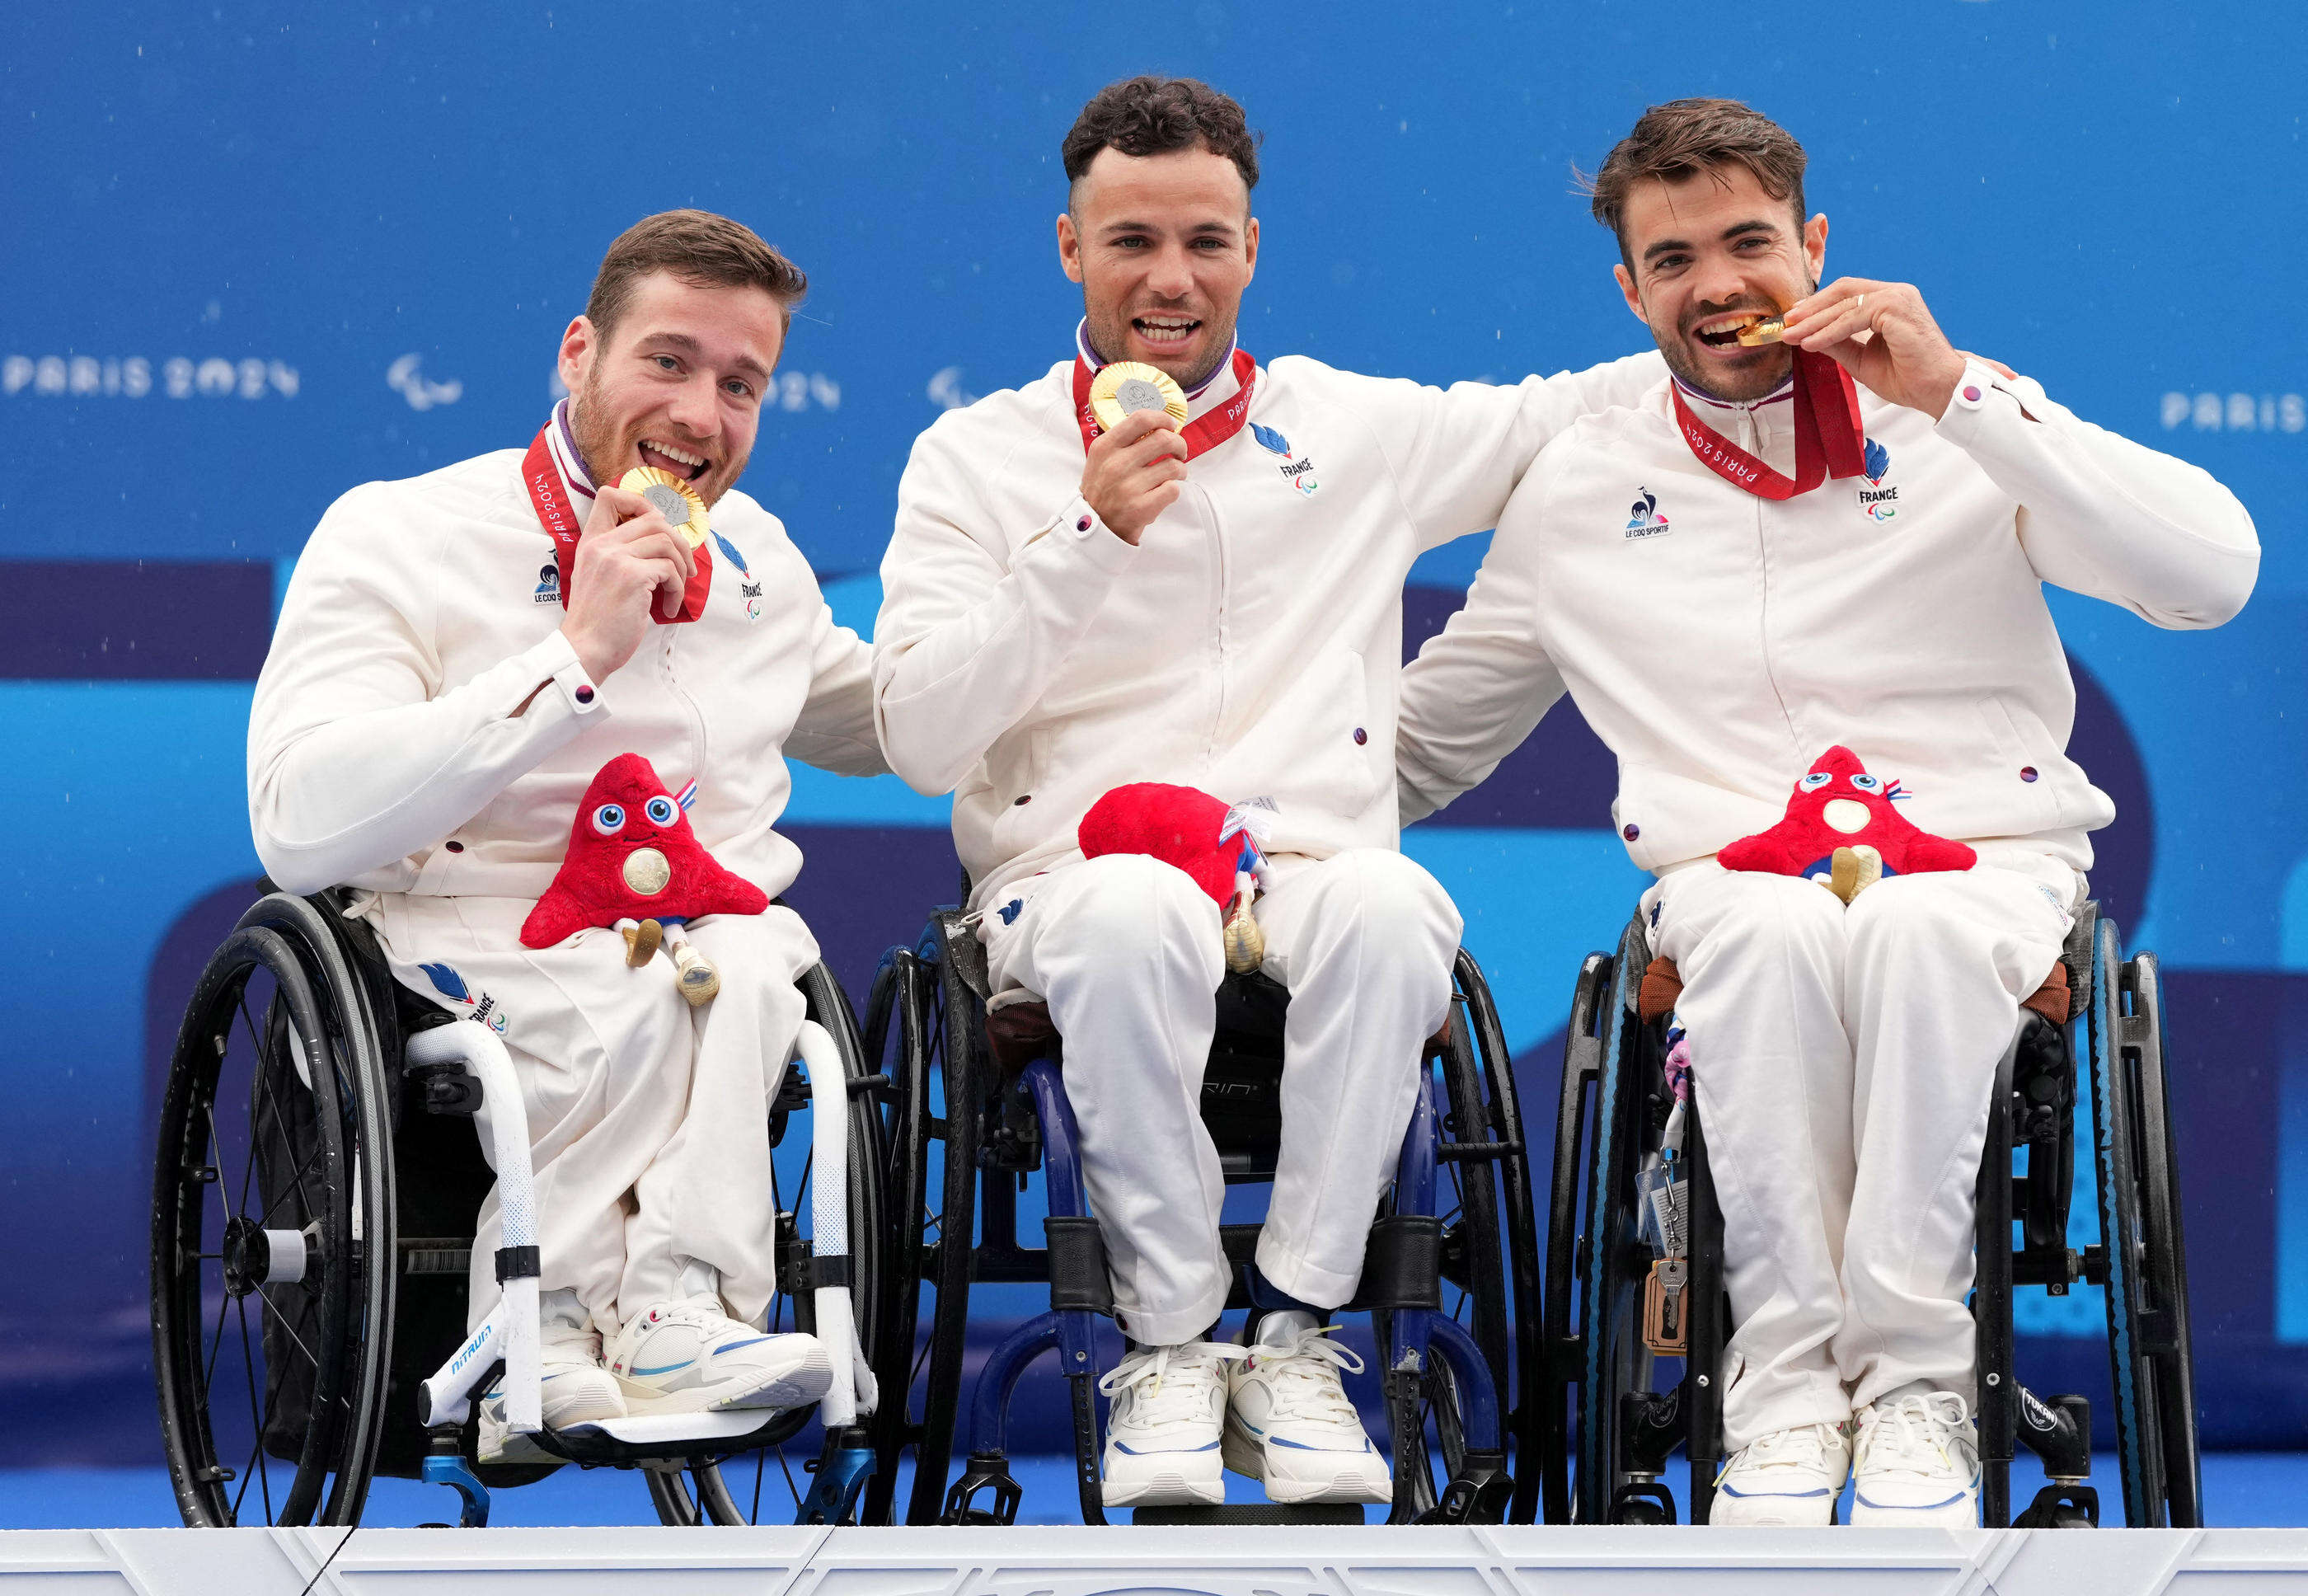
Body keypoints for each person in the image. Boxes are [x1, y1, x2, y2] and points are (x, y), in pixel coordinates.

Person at [1396, 99, 2257, 1526]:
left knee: (1914, 936)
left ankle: (1918, 1388)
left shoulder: (1961, 427)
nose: (1719, 282)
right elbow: (1423, 744)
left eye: (1750, 241)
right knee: (1772, 934)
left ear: (1817, 245)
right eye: (1675, 259)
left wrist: (1961, 390)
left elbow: (2211, 574)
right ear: (1630, 289)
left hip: (1983, 859)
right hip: (1733, 878)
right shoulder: (1579, 486)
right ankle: (1783, 1396)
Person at [873, 75, 1662, 1508]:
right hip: (1070, 885)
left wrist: (1780, 316)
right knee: (1126, 918)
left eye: (1205, 242)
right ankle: (1170, 1340)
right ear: (1069, 249)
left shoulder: (1354, 431)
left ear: (1251, 249)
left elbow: (1584, 404)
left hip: (1299, 868)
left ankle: (1298, 1338)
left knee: (1391, 904)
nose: (1169, 280)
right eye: (1130, 243)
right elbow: (921, 734)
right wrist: (1085, 535)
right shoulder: (977, 459)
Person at [248, 210, 887, 1462]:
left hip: (697, 934)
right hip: (461, 925)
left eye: (741, 383)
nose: (703, 414)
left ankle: (668, 1307)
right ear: (578, 352)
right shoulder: (401, 533)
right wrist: (575, 656)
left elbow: (897, 721)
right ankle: (538, 1322)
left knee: (758, 959)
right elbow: (298, 820)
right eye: (670, 361)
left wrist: (1073, 581)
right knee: (640, 994)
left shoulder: (760, 564)